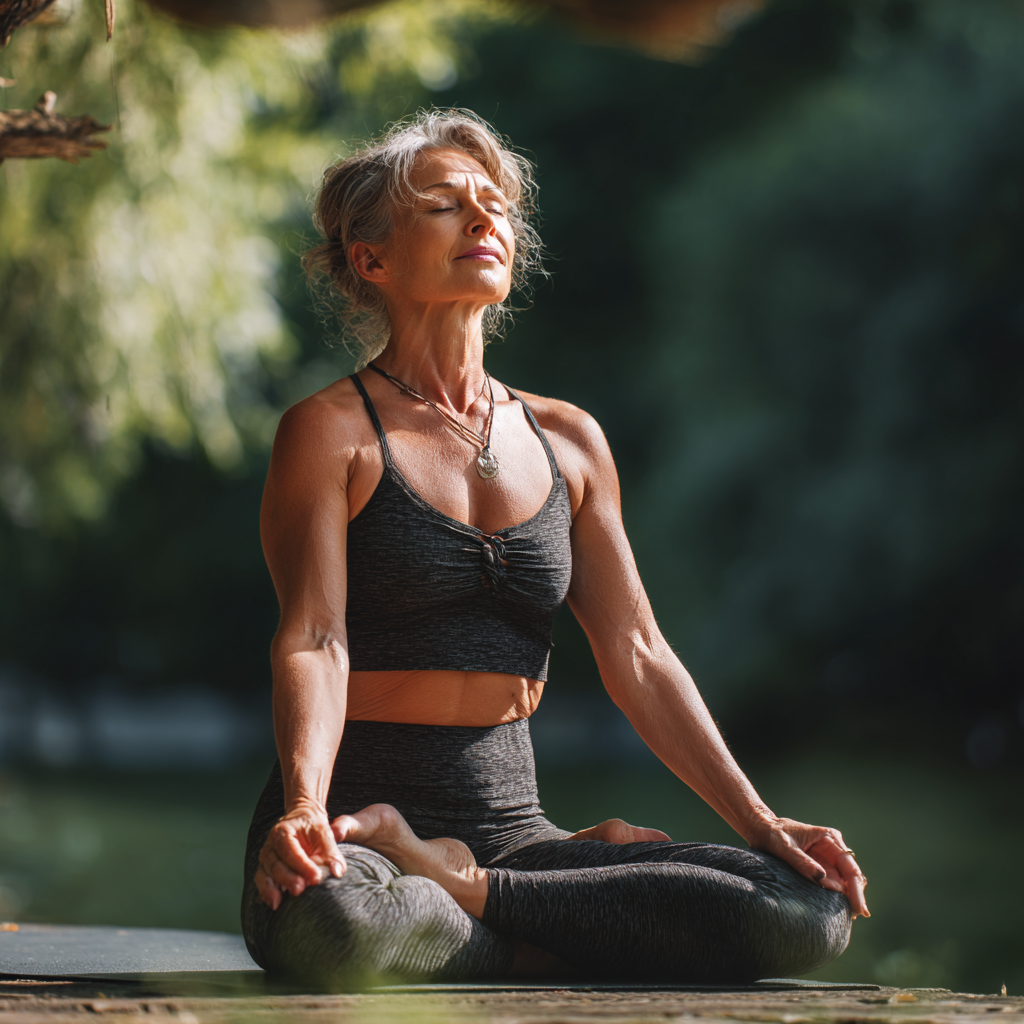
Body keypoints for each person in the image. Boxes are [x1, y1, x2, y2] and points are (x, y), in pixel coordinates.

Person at [240, 109, 867, 990]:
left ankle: (469, 887)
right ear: (370, 258)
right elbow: (314, 638)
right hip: (354, 833)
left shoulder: (569, 439)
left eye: (494, 204)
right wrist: (304, 806)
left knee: (804, 909)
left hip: (515, 842)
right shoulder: (331, 433)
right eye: (445, 206)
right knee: (336, 925)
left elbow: (639, 655)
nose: (484, 219)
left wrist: (765, 824)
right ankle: (535, 921)